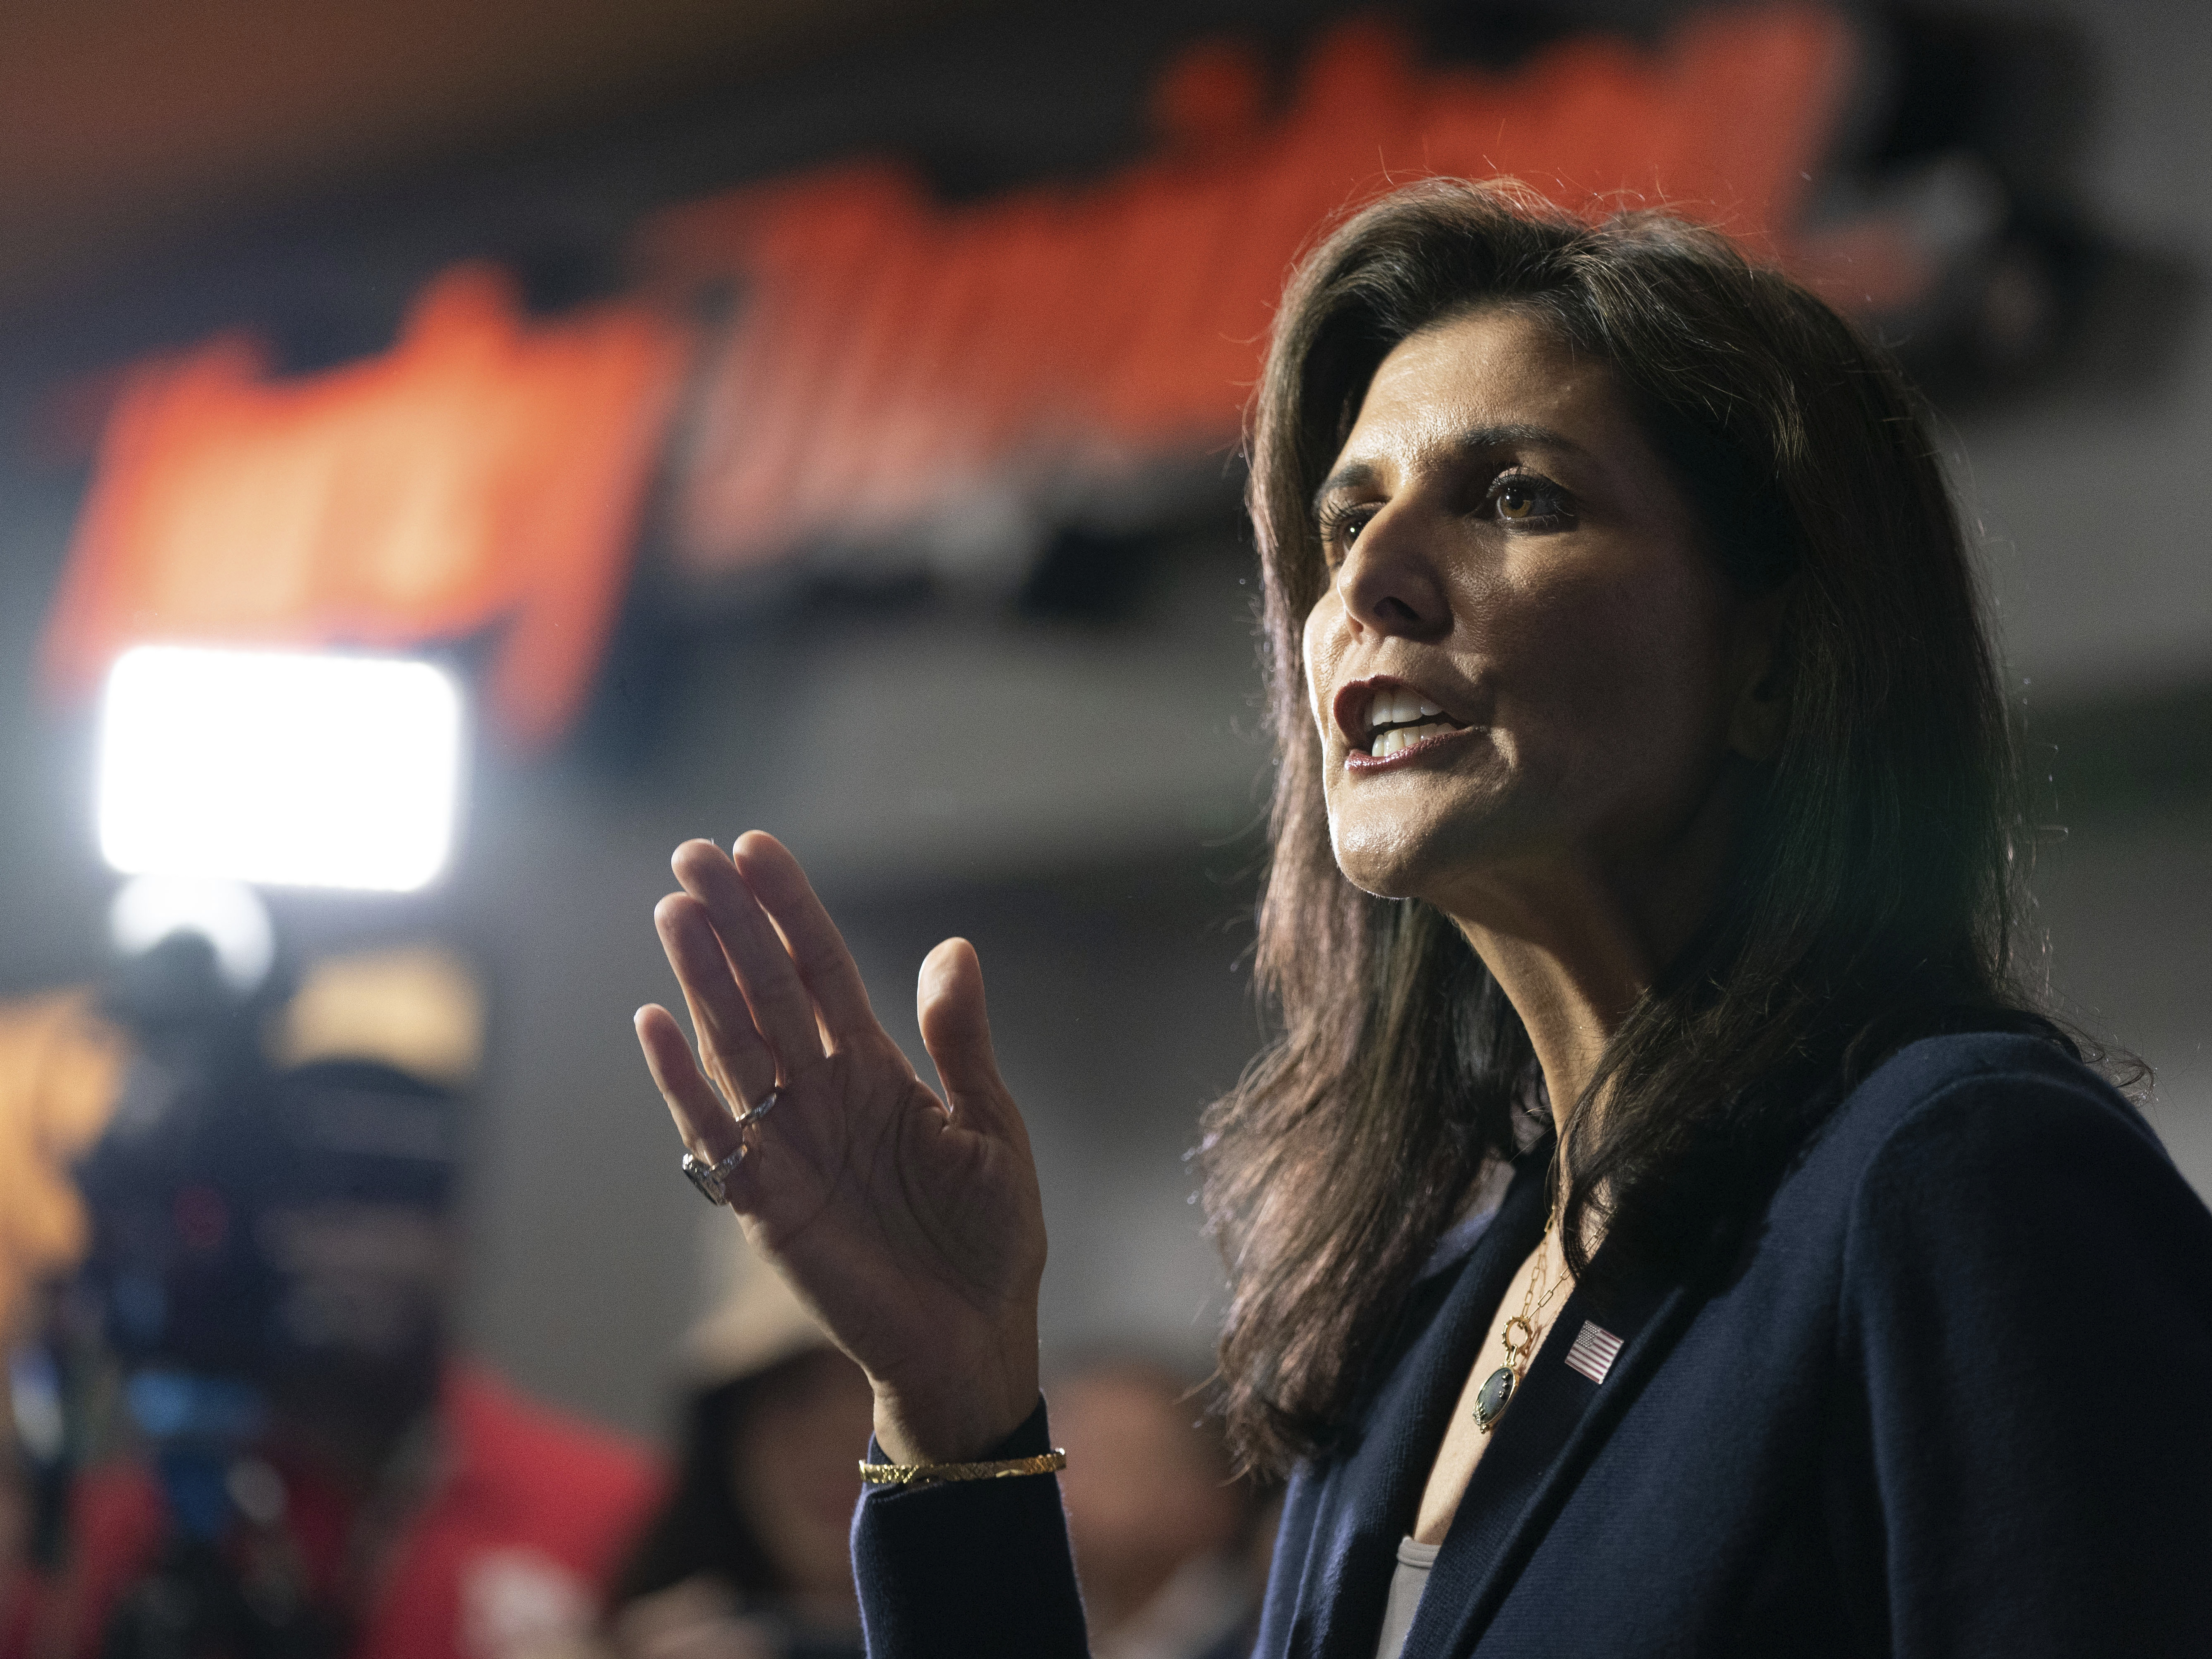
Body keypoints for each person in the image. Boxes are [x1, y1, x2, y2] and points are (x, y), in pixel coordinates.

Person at [631, 177, 2212, 1657]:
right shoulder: (1420, 1298)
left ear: (1776, 659)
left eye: (1518, 497)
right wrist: (959, 1402)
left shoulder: (1960, 1175)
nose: (1372, 576)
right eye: (1344, 522)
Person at [609, 1227, 872, 1659]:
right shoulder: (633, 1625)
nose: (848, 1437)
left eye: (884, 1392)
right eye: (798, 1389)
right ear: (731, 1423)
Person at [1047, 1357, 1258, 1659]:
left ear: (1201, 1501)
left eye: (1102, 1459)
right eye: (1059, 1451)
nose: (1059, 1482)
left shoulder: (1254, 1640)